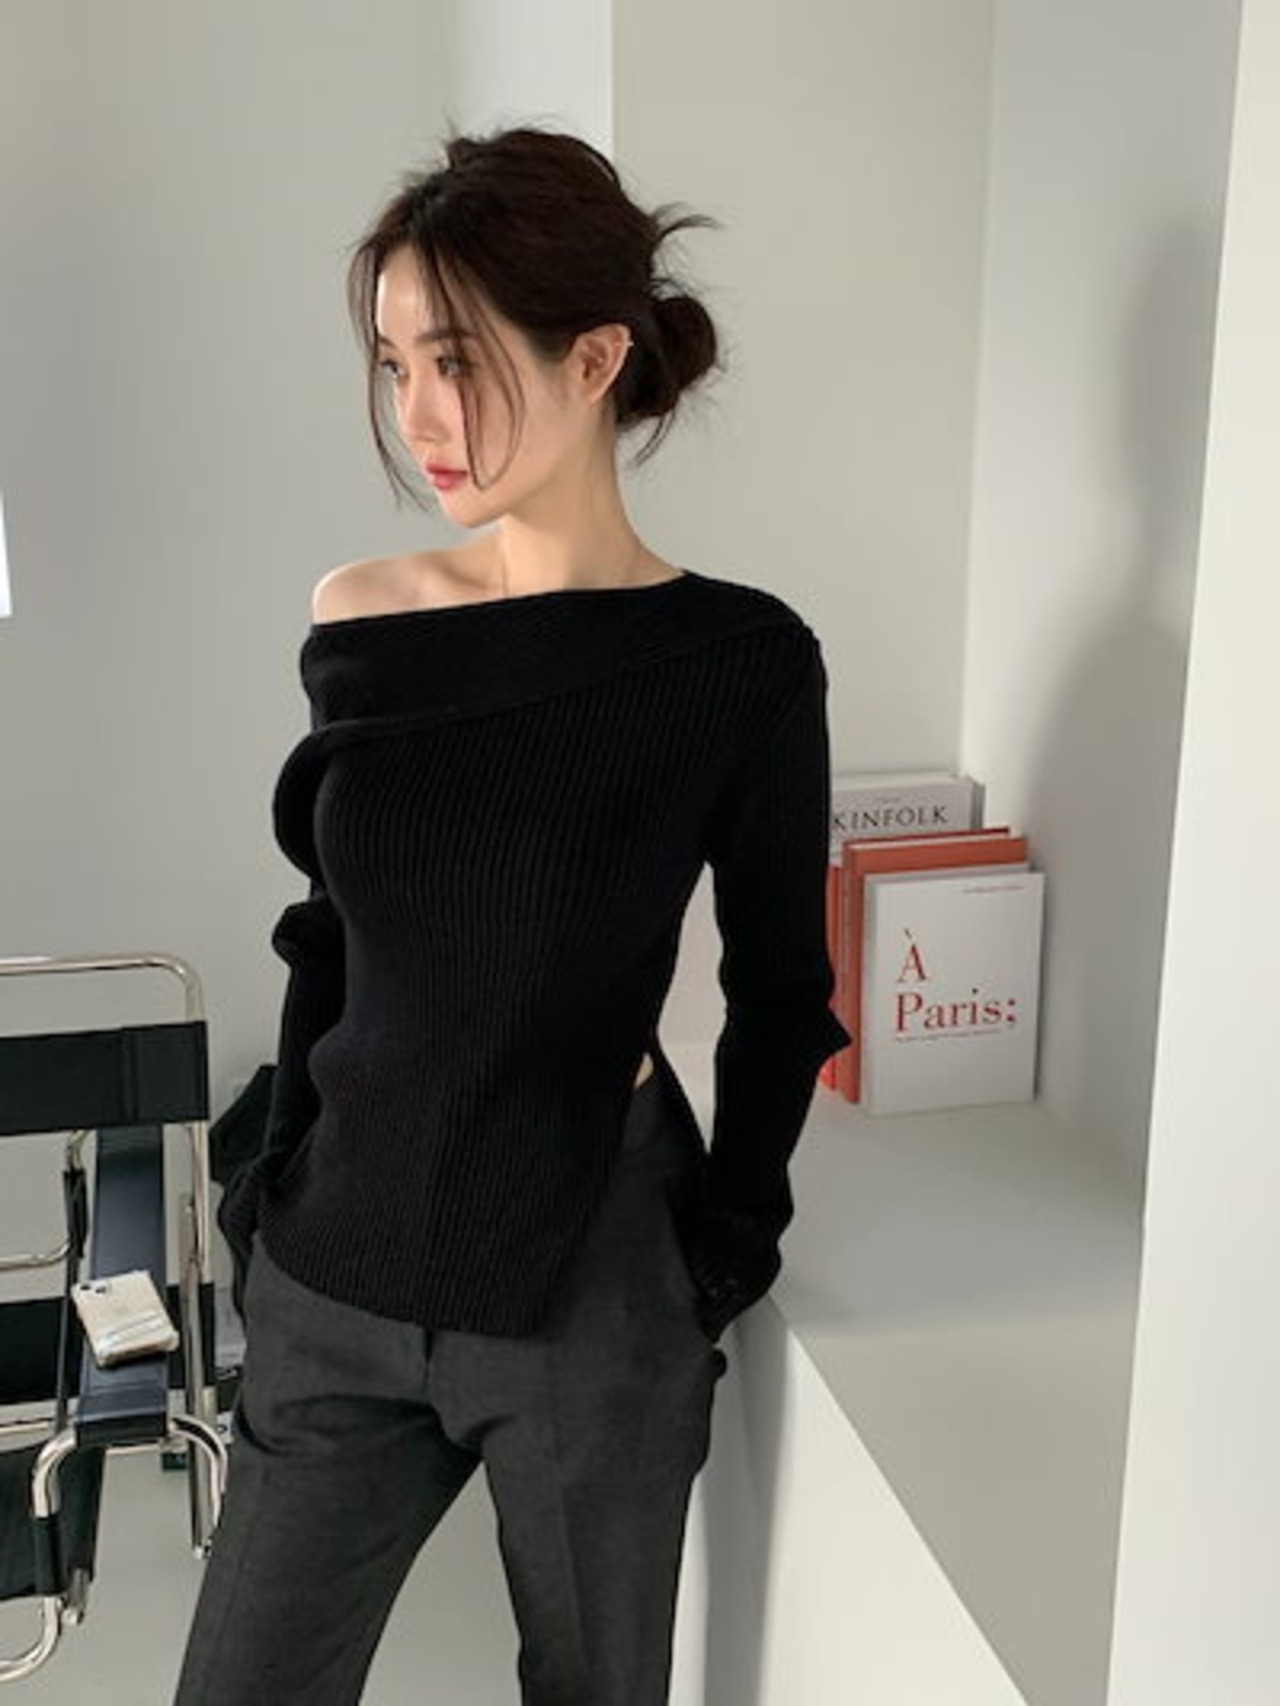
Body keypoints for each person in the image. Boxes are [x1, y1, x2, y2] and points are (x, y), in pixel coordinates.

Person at [173, 122, 851, 1706]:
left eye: (459, 360)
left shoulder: (739, 664)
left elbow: (782, 988)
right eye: (395, 362)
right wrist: (271, 1189)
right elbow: (329, 929)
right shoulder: (364, 618)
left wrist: (724, 1243)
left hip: (585, 1282)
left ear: (596, 357)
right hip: (338, 1265)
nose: (419, 414)